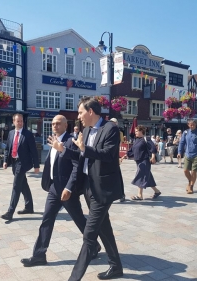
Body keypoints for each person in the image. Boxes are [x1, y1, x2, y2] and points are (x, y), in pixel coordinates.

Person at [48, 97, 123, 281]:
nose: (78, 116)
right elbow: (81, 157)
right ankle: (116, 267)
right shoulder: (87, 129)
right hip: (89, 188)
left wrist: (84, 148)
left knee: (89, 237)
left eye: (81, 112)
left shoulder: (110, 129)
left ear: (90, 112)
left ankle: (74, 278)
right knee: (104, 229)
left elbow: (108, 155)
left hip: (103, 189)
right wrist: (62, 149)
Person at [21, 115, 101, 267]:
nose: (55, 126)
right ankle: (39, 255)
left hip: (66, 190)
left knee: (79, 219)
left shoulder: (71, 141)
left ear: (66, 125)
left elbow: (77, 166)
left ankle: (93, 245)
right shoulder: (53, 140)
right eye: (53, 124)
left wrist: (69, 187)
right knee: (46, 220)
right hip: (54, 188)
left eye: (58, 123)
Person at [1, 113, 40, 221]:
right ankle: (29, 207)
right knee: (24, 185)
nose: (20, 123)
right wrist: (5, 161)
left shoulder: (28, 134)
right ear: (13, 122)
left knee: (16, 186)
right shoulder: (11, 133)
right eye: (18, 121)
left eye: (21, 121)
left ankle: (10, 212)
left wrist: (36, 166)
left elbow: (33, 151)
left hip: (23, 163)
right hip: (14, 162)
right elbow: (7, 148)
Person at [127, 126, 161, 200]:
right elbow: (132, 150)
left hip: (144, 161)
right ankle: (157, 191)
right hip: (138, 161)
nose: (135, 132)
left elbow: (153, 148)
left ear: (141, 131)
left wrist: (153, 157)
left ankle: (139, 195)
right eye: (135, 131)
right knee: (147, 177)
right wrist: (124, 156)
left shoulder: (146, 139)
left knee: (141, 176)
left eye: (136, 131)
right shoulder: (136, 140)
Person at [178, 119, 197, 194]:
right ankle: (190, 181)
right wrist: (179, 152)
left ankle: (191, 187)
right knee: (185, 170)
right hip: (187, 154)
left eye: (193, 124)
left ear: (195, 125)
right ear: (188, 125)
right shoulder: (185, 133)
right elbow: (182, 143)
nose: (192, 126)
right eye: (190, 124)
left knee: (194, 172)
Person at [110, 117, 126, 202]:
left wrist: (120, 157)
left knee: (117, 176)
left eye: (113, 123)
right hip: (109, 157)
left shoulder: (119, 133)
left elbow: (121, 144)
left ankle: (121, 194)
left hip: (115, 157)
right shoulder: (107, 131)